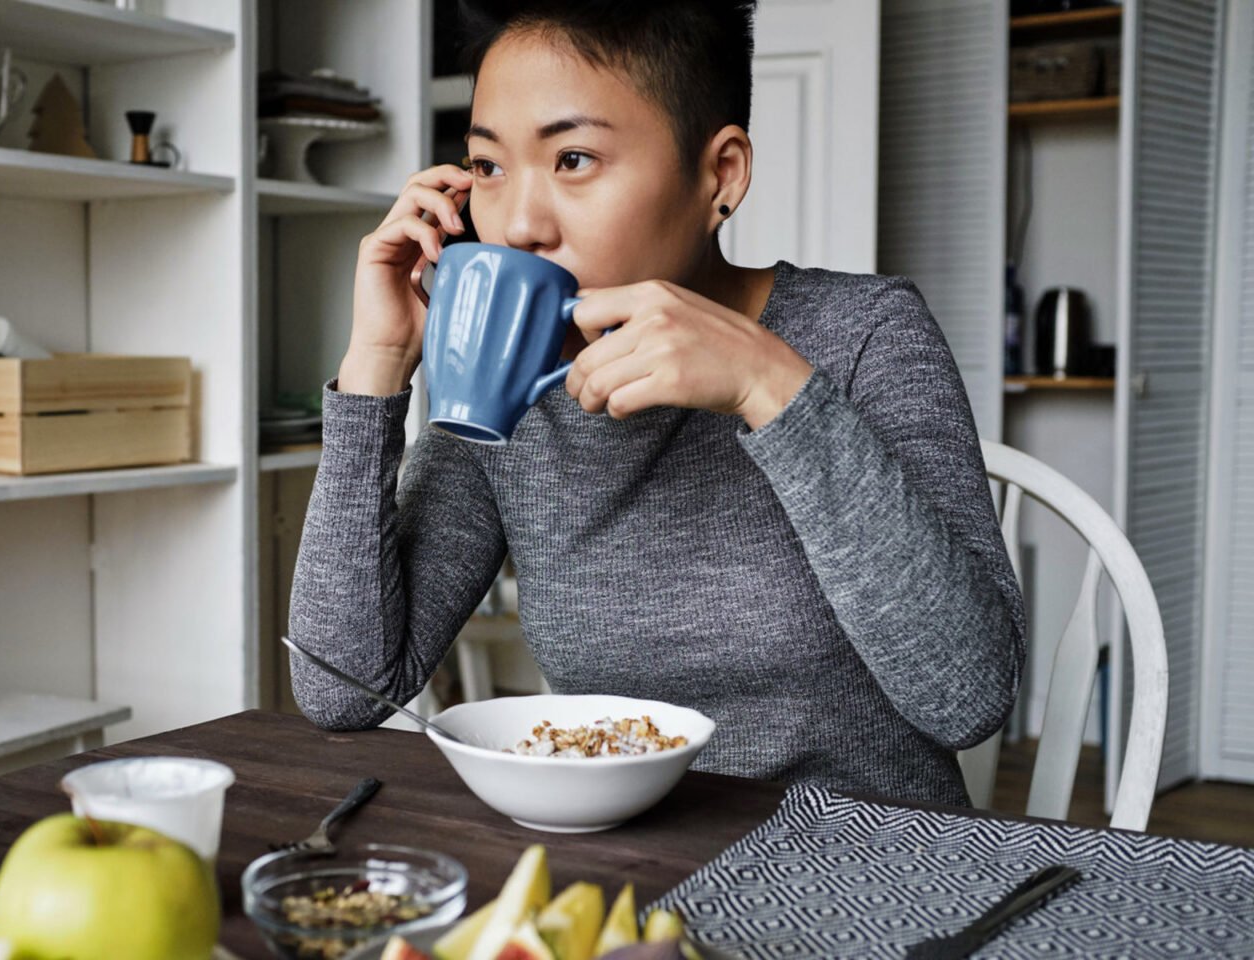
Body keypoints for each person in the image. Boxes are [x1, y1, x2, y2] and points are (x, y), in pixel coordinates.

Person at [287, 0, 1024, 807]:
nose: (518, 225)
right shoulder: (515, 382)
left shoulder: (864, 333)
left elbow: (969, 697)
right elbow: (343, 689)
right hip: (618, 864)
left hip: (866, 868)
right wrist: (377, 368)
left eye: (572, 159)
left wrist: (769, 388)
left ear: (721, 174)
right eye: (489, 167)